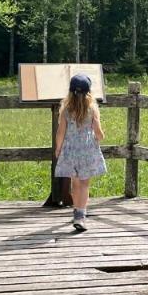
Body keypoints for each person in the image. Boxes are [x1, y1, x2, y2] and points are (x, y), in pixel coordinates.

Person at [53, 73, 106, 231]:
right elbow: (99, 133)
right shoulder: (92, 109)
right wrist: (100, 133)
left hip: (71, 151)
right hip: (87, 150)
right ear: (89, 93)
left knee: (75, 183)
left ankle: (77, 211)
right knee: (85, 184)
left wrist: (58, 148)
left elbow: (60, 132)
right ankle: (81, 216)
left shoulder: (66, 110)